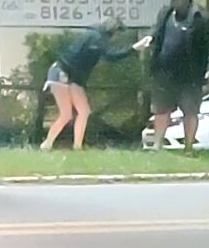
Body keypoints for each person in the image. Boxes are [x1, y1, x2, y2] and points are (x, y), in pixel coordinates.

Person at [41, 17, 152, 151]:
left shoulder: (93, 35)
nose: (116, 38)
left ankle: (76, 146)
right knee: (67, 113)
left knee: (83, 111)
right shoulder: (97, 38)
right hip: (61, 73)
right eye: (117, 34)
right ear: (113, 30)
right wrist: (134, 48)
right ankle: (47, 144)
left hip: (71, 77)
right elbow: (110, 56)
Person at [147, 0, 209, 154]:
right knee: (160, 111)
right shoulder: (165, 13)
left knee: (190, 112)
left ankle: (188, 148)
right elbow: (156, 31)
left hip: (190, 75)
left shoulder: (201, 16)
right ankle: (157, 147)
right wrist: (149, 38)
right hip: (164, 73)